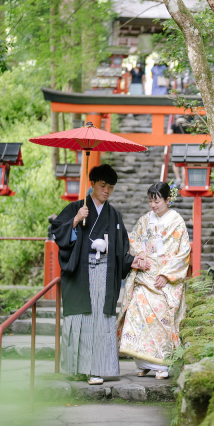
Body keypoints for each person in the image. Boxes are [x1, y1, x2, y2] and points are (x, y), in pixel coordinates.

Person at [51, 164, 149, 385]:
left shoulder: (114, 215)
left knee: (99, 320)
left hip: (105, 275)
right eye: (103, 185)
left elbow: (122, 249)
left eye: (110, 187)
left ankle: (95, 369)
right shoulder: (76, 208)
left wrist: (133, 260)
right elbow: (59, 234)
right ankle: (78, 368)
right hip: (80, 276)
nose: (106, 191)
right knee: (81, 320)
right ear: (92, 183)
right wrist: (76, 219)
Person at [119, 182, 191, 379]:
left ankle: (162, 364)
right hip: (145, 275)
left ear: (168, 200)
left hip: (165, 280)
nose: (153, 205)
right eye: (150, 201)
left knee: (162, 318)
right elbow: (133, 239)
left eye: (157, 200)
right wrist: (140, 254)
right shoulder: (145, 220)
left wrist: (166, 275)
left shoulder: (177, 221)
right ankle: (142, 362)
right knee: (136, 313)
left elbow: (184, 252)